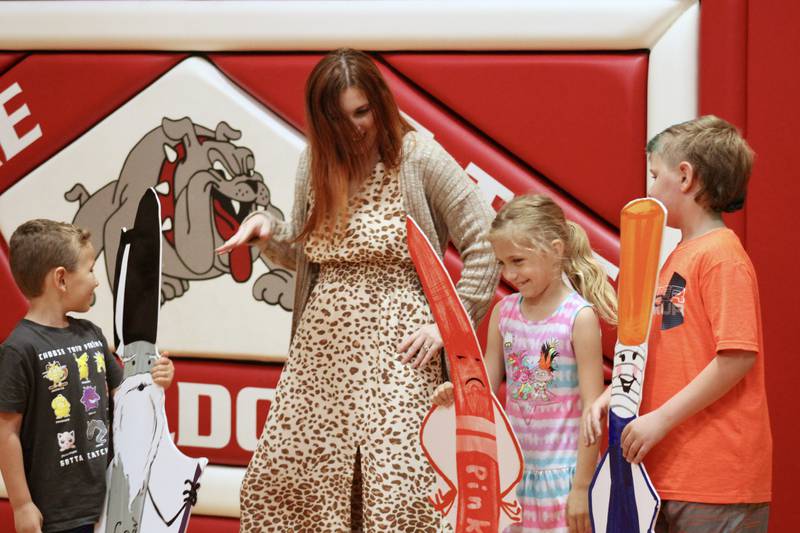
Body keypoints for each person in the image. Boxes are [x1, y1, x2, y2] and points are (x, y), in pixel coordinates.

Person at [216, 48, 500, 532]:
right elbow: (306, 249)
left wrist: (448, 325)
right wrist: (266, 228)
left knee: (400, 486)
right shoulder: (316, 159)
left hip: (400, 349)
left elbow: (485, 240)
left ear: (381, 103)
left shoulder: (419, 155)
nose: (354, 127)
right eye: (339, 118)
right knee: (294, 478)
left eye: (362, 112)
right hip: (323, 351)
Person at [583, 115, 772, 532]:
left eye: (655, 175)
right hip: (667, 474)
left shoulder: (722, 256)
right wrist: (614, 393)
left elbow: (737, 356)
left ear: (685, 176)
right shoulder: (678, 257)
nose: (650, 189)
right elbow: (665, 356)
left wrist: (661, 419)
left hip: (716, 480)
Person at [433, 194, 616, 533]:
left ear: (556, 250)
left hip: (563, 480)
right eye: (503, 263)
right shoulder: (504, 313)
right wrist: (457, 393)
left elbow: (593, 411)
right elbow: (484, 385)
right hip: (510, 476)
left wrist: (581, 487)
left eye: (518, 260)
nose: (509, 273)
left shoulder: (578, 318)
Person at [0, 219, 175, 533]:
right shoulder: (18, 349)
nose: (96, 282)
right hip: (55, 515)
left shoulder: (92, 334)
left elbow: (125, 398)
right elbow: (6, 432)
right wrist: (22, 504)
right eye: (91, 269)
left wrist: (156, 380)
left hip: (109, 502)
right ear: (62, 280)